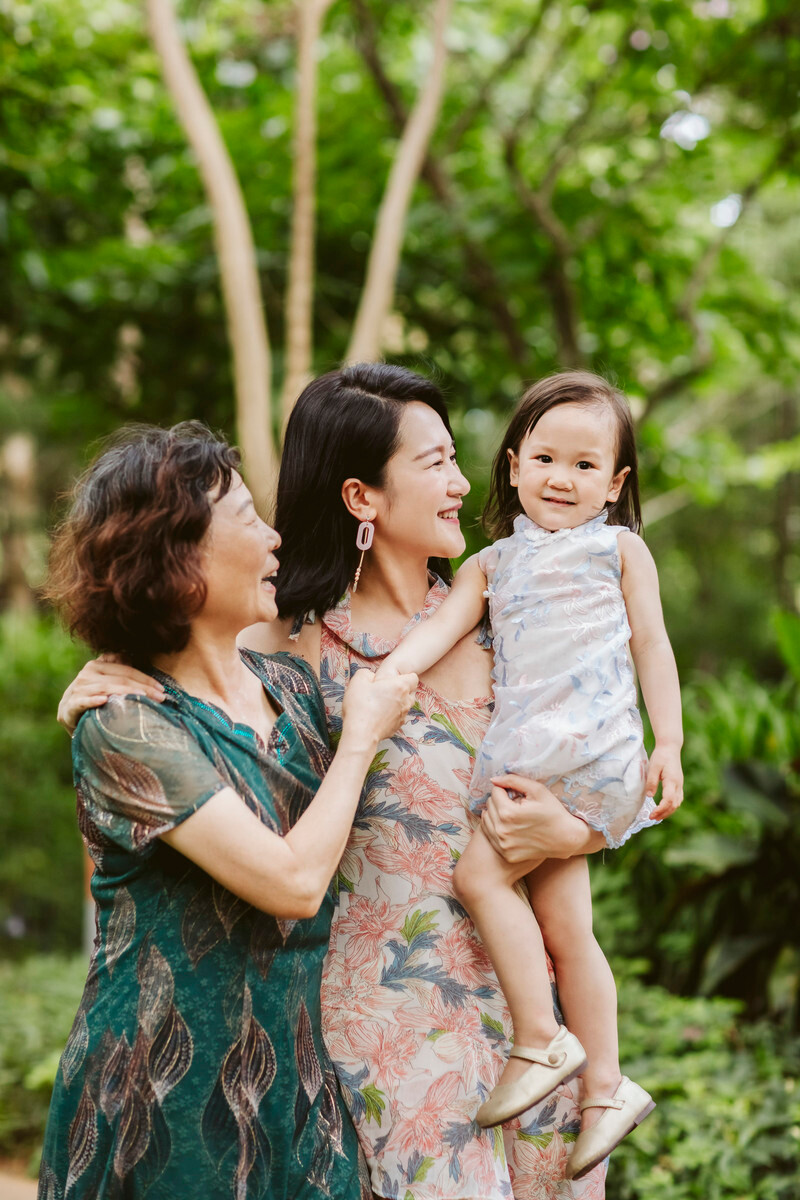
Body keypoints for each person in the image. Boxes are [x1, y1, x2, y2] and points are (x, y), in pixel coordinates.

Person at [58, 366, 609, 1199]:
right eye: (435, 463)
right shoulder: (295, 654)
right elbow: (198, 712)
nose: (465, 483)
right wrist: (92, 690)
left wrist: (582, 832)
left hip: (532, 1024)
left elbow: (605, 762)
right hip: (387, 1034)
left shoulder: (516, 618)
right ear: (362, 497)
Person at [41, 421, 416, 1199]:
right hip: (165, 1112)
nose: (274, 538)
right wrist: (358, 747)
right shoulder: (127, 725)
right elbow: (290, 883)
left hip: (300, 1099)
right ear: (178, 557)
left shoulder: (297, 690)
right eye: (247, 518)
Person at [377, 371, 683, 1179]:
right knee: (568, 930)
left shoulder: (620, 550)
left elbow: (653, 645)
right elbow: (436, 630)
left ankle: (542, 1039)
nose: (562, 478)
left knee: (479, 876)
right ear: (511, 466)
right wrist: (388, 674)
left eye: (587, 467)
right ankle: (608, 1085)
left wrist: (670, 743)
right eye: (546, 457)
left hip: (580, 759)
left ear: (616, 486)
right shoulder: (493, 563)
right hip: (544, 765)